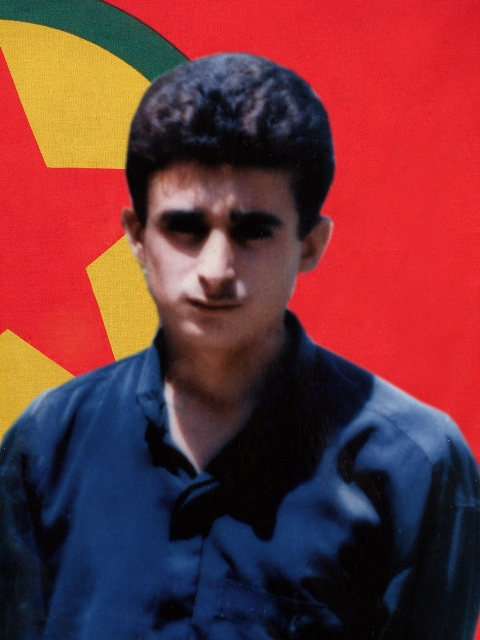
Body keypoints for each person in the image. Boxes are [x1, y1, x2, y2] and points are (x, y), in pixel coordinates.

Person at [1, 53, 479, 640]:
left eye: (252, 231)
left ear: (311, 244)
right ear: (137, 237)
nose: (215, 270)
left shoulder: (414, 468)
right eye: (185, 227)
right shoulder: (46, 445)